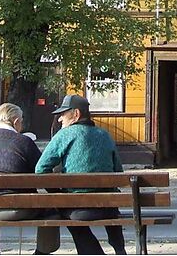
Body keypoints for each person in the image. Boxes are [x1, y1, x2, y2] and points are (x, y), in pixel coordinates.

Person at [35, 94, 126, 255]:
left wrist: (58, 194)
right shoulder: (105, 135)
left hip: (78, 209)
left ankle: (95, 253)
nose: (60, 120)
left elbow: (40, 170)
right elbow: (118, 172)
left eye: (63, 114)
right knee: (109, 201)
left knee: (67, 214)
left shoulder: (64, 135)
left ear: (76, 114)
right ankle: (119, 249)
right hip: (108, 206)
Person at [0, 103, 60, 255]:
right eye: (21, 121)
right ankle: (41, 252)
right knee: (52, 211)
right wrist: (57, 195)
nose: (22, 125)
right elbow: (42, 174)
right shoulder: (23, 142)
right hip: (17, 209)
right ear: (15, 121)